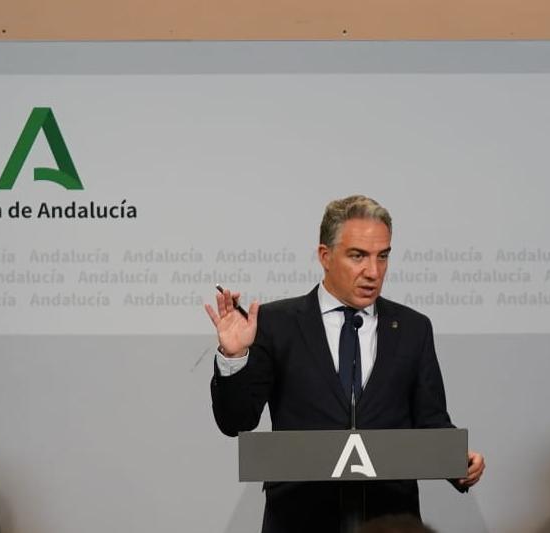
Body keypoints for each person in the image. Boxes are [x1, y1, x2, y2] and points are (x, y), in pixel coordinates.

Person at [206, 195, 485, 532]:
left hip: (389, 517)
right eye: (358, 256)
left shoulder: (413, 327)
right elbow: (236, 420)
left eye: (383, 257)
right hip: (300, 517)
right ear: (325, 256)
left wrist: (457, 460)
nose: (373, 271)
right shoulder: (276, 323)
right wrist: (235, 356)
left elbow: (431, 420)